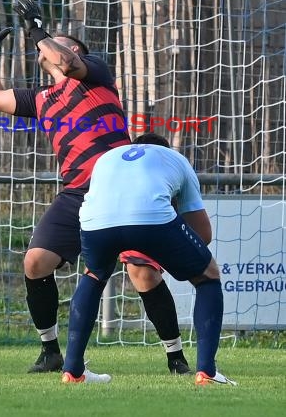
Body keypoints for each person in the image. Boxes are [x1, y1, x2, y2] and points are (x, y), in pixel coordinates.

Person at [0, 0, 191, 377]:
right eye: (49, 45)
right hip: (77, 192)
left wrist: (38, 31)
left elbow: (66, 63)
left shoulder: (94, 75)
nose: (50, 49)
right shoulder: (40, 98)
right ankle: (50, 351)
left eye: (61, 44)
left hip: (123, 188)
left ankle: (175, 357)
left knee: (143, 275)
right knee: (35, 262)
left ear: (76, 53)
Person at [61, 132, 237, 386]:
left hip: (94, 220)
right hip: (152, 219)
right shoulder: (174, 158)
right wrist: (171, 247)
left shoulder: (107, 158)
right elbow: (204, 234)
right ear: (164, 149)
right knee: (208, 274)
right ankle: (207, 372)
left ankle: (72, 370)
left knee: (94, 275)